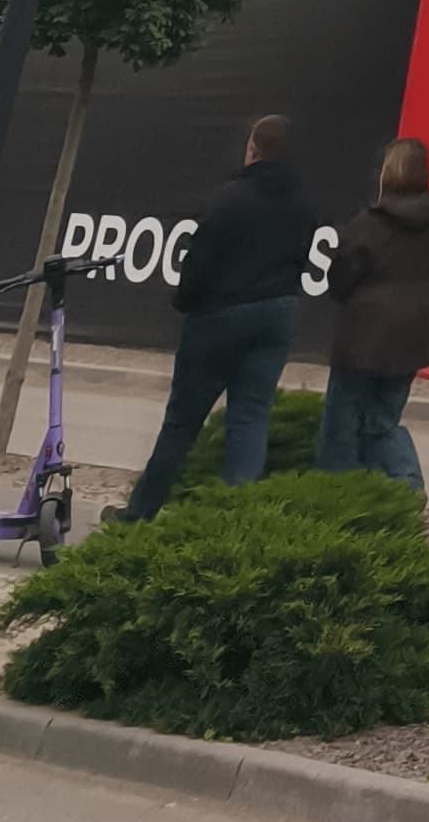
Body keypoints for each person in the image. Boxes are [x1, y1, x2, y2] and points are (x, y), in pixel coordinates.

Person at [114, 112, 311, 520]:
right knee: (250, 418)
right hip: (277, 311)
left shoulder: (230, 198)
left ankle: (139, 514)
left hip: (220, 315)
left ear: (253, 149)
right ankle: (236, 519)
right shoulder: (302, 202)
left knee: (182, 422)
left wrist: (184, 301)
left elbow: (200, 261)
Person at [316, 135, 429, 488]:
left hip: (365, 336)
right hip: (415, 329)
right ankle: (407, 482)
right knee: (383, 422)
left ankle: (336, 495)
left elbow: (340, 277)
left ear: (386, 173)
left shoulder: (369, 224)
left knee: (340, 425)